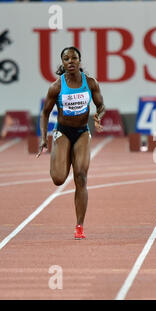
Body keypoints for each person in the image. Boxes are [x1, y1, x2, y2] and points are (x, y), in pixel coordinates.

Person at [36, 46, 106, 239]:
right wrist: (43, 138)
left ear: (79, 61)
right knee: (58, 178)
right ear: (63, 63)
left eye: (74, 58)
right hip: (63, 132)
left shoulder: (90, 83)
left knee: (81, 176)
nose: (70, 61)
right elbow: (44, 113)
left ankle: (79, 226)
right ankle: (63, 158)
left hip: (82, 132)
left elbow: (101, 105)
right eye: (66, 59)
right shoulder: (56, 87)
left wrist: (99, 115)